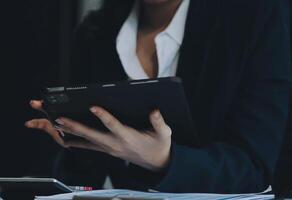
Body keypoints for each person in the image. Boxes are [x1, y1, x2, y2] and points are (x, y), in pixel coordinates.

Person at [26, 0, 291, 193]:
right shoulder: (95, 32)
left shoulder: (257, 17)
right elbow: (85, 176)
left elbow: (255, 169)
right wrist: (77, 138)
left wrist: (164, 158)